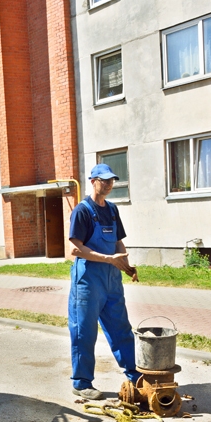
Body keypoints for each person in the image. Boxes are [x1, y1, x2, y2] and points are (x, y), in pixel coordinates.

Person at [68, 164, 140, 401]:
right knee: (84, 333)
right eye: (104, 180)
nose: (109, 184)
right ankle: (81, 383)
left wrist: (126, 265)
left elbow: (118, 242)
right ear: (93, 181)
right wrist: (109, 259)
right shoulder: (82, 211)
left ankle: (134, 375)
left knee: (121, 328)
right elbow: (76, 249)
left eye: (112, 180)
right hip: (88, 281)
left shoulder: (111, 210)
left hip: (111, 279)